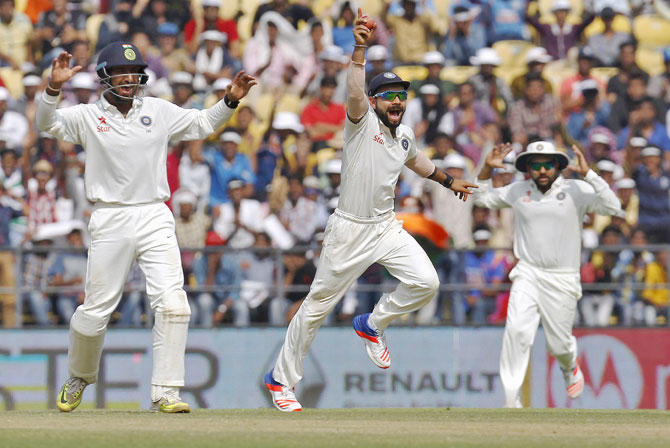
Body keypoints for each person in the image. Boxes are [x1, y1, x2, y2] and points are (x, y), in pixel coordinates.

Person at [263, 9, 477, 412]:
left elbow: (416, 161)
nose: (396, 101)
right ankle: (280, 380)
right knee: (316, 308)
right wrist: (359, 48)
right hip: (348, 230)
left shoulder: (404, 135)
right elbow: (356, 91)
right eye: (389, 96)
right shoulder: (361, 122)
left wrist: (449, 181)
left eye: (402, 96)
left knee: (426, 282)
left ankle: (373, 323)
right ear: (376, 101)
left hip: (384, 227)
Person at [36, 43, 256, 413]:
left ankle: (166, 392)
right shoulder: (88, 116)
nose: (129, 77)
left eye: (134, 71)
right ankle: (79, 376)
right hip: (110, 217)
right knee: (95, 312)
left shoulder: (157, 109)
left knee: (174, 303)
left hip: (155, 214)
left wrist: (230, 100)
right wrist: (53, 89)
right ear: (105, 75)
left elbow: (202, 123)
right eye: (120, 71)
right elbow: (46, 123)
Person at [474, 141, 621, 408]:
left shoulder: (575, 189)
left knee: (559, 346)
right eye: (536, 165)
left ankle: (569, 365)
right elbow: (481, 198)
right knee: (517, 330)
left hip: (563, 277)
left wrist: (589, 174)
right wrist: (485, 169)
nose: (542, 170)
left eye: (547, 164)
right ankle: (511, 398)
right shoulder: (519, 190)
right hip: (527, 273)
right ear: (528, 168)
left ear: (557, 166)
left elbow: (612, 207)